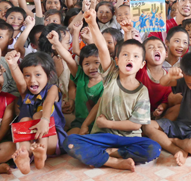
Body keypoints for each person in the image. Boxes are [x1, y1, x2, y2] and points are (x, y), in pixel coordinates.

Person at [63, 9, 161, 170]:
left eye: (136, 57)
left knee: (153, 148)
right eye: (125, 56)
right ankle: (114, 161)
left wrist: (108, 123)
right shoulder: (110, 76)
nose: (130, 58)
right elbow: (102, 48)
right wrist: (93, 23)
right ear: (116, 60)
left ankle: (112, 153)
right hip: (102, 136)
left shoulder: (141, 91)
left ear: (142, 64)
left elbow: (136, 125)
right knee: (71, 142)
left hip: (128, 138)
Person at [7, 51, 67, 175]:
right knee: (24, 120)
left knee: (37, 115)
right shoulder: (25, 92)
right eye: (27, 75)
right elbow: (19, 81)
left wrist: (44, 120)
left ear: (49, 75)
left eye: (38, 75)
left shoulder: (53, 88)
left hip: (52, 138)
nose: (32, 80)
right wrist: (13, 64)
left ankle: (42, 154)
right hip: (31, 143)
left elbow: (48, 103)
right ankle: (25, 157)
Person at [47, 31, 103, 135]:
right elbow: (68, 59)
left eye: (96, 62)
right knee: (69, 142)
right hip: (80, 121)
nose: (92, 67)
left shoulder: (108, 79)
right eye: (87, 63)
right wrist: (56, 43)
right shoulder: (80, 75)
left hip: (101, 123)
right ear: (81, 65)